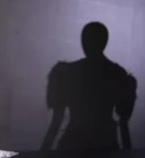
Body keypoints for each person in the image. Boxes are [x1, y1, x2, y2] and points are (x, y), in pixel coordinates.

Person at [41, 22, 137, 150]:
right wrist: (128, 156)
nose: (86, 43)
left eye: (88, 39)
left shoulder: (68, 72)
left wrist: (43, 154)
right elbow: (123, 124)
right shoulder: (117, 74)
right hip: (105, 144)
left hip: (74, 145)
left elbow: (56, 121)